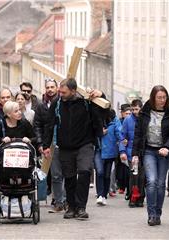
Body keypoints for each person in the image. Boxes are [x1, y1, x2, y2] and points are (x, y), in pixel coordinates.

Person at [43, 78, 107, 220]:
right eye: (60, 91)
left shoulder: (86, 102)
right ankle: (71, 207)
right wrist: (46, 145)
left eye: (64, 92)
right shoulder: (57, 103)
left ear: (73, 91)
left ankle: (81, 207)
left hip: (85, 143)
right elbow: (49, 124)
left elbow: (104, 107)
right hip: (65, 146)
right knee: (70, 177)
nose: (60, 94)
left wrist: (101, 95)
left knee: (84, 172)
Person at [132, 85, 169, 226]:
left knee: (160, 184)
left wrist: (167, 147)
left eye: (164, 97)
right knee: (151, 181)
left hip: (163, 152)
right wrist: (134, 154)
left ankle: (158, 213)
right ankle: (151, 214)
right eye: (159, 97)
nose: (162, 100)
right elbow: (138, 133)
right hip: (148, 151)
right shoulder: (145, 112)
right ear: (153, 97)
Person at [34, 78, 65, 213]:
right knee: (56, 175)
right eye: (48, 87)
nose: (50, 89)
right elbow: (37, 126)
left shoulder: (63, 102)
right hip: (50, 144)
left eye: (52, 87)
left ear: (57, 88)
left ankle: (68, 201)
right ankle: (58, 202)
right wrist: (41, 143)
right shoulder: (41, 106)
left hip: (65, 142)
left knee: (68, 174)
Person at [119, 99, 145, 208]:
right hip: (131, 152)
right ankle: (133, 198)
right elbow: (122, 136)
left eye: (137, 109)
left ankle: (140, 198)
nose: (135, 111)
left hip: (143, 153)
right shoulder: (127, 120)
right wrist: (122, 151)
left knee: (142, 177)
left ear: (141, 108)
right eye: (133, 109)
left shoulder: (145, 120)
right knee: (133, 175)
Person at [95, 109, 122, 206]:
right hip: (98, 150)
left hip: (110, 152)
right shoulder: (96, 120)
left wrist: (123, 141)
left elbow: (119, 133)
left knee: (107, 175)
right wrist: (99, 133)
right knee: (99, 172)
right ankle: (99, 195)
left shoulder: (114, 121)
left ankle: (104, 195)